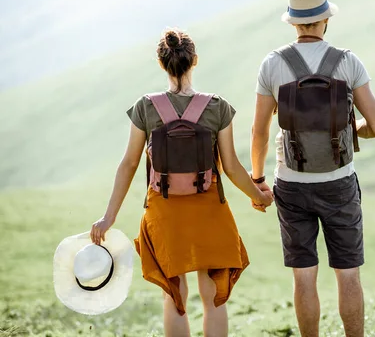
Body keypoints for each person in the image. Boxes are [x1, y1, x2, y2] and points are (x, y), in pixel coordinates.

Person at [90, 29, 273, 337]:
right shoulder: (217, 107)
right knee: (213, 296)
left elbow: (129, 164)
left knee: (174, 296)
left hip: (164, 212)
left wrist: (109, 218)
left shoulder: (145, 108)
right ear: (195, 61)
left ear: (162, 64)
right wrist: (258, 196)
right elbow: (231, 166)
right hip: (209, 211)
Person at [251, 0, 375, 337]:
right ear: (325, 20)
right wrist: (347, 129)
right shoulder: (348, 62)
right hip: (339, 183)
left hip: (290, 184)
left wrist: (257, 178)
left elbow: (259, 131)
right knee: (348, 274)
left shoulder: (273, 64)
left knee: (304, 275)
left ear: (294, 23)